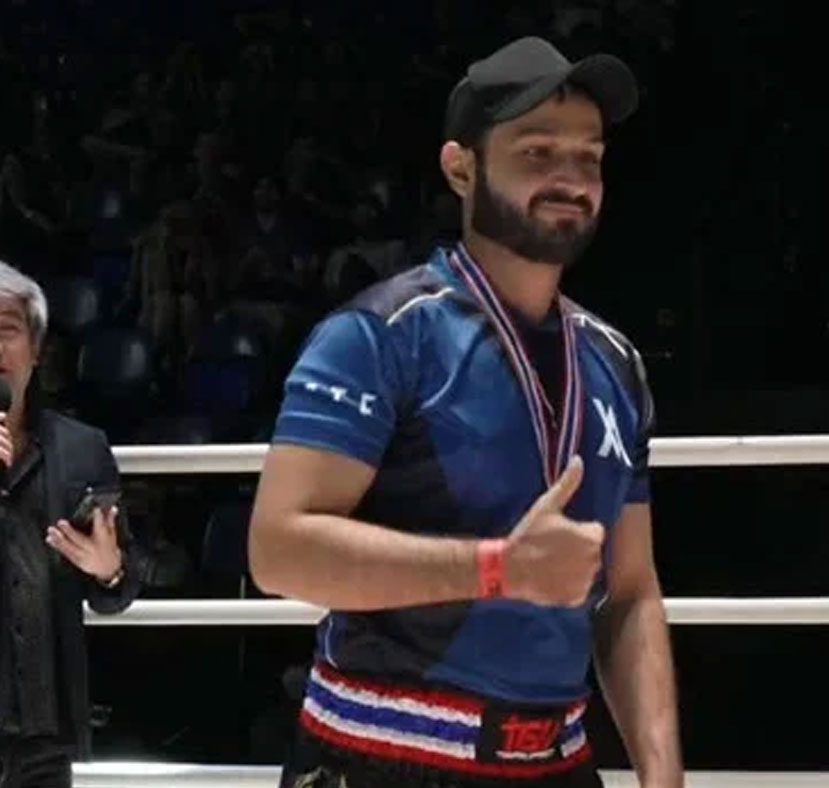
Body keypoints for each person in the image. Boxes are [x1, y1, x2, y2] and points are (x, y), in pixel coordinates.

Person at [249, 37, 683, 788]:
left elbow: (630, 591)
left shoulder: (615, 361)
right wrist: (500, 568)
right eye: (538, 152)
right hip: (383, 759)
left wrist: (663, 775)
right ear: (461, 168)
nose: (570, 178)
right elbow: (278, 550)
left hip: (557, 763)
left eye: (588, 158)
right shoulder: (381, 335)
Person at [0, 261, 140, 788]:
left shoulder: (82, 449)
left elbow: (117, 591)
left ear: (36, 349)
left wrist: (109, 570)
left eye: (6, 330)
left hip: (44, 732)